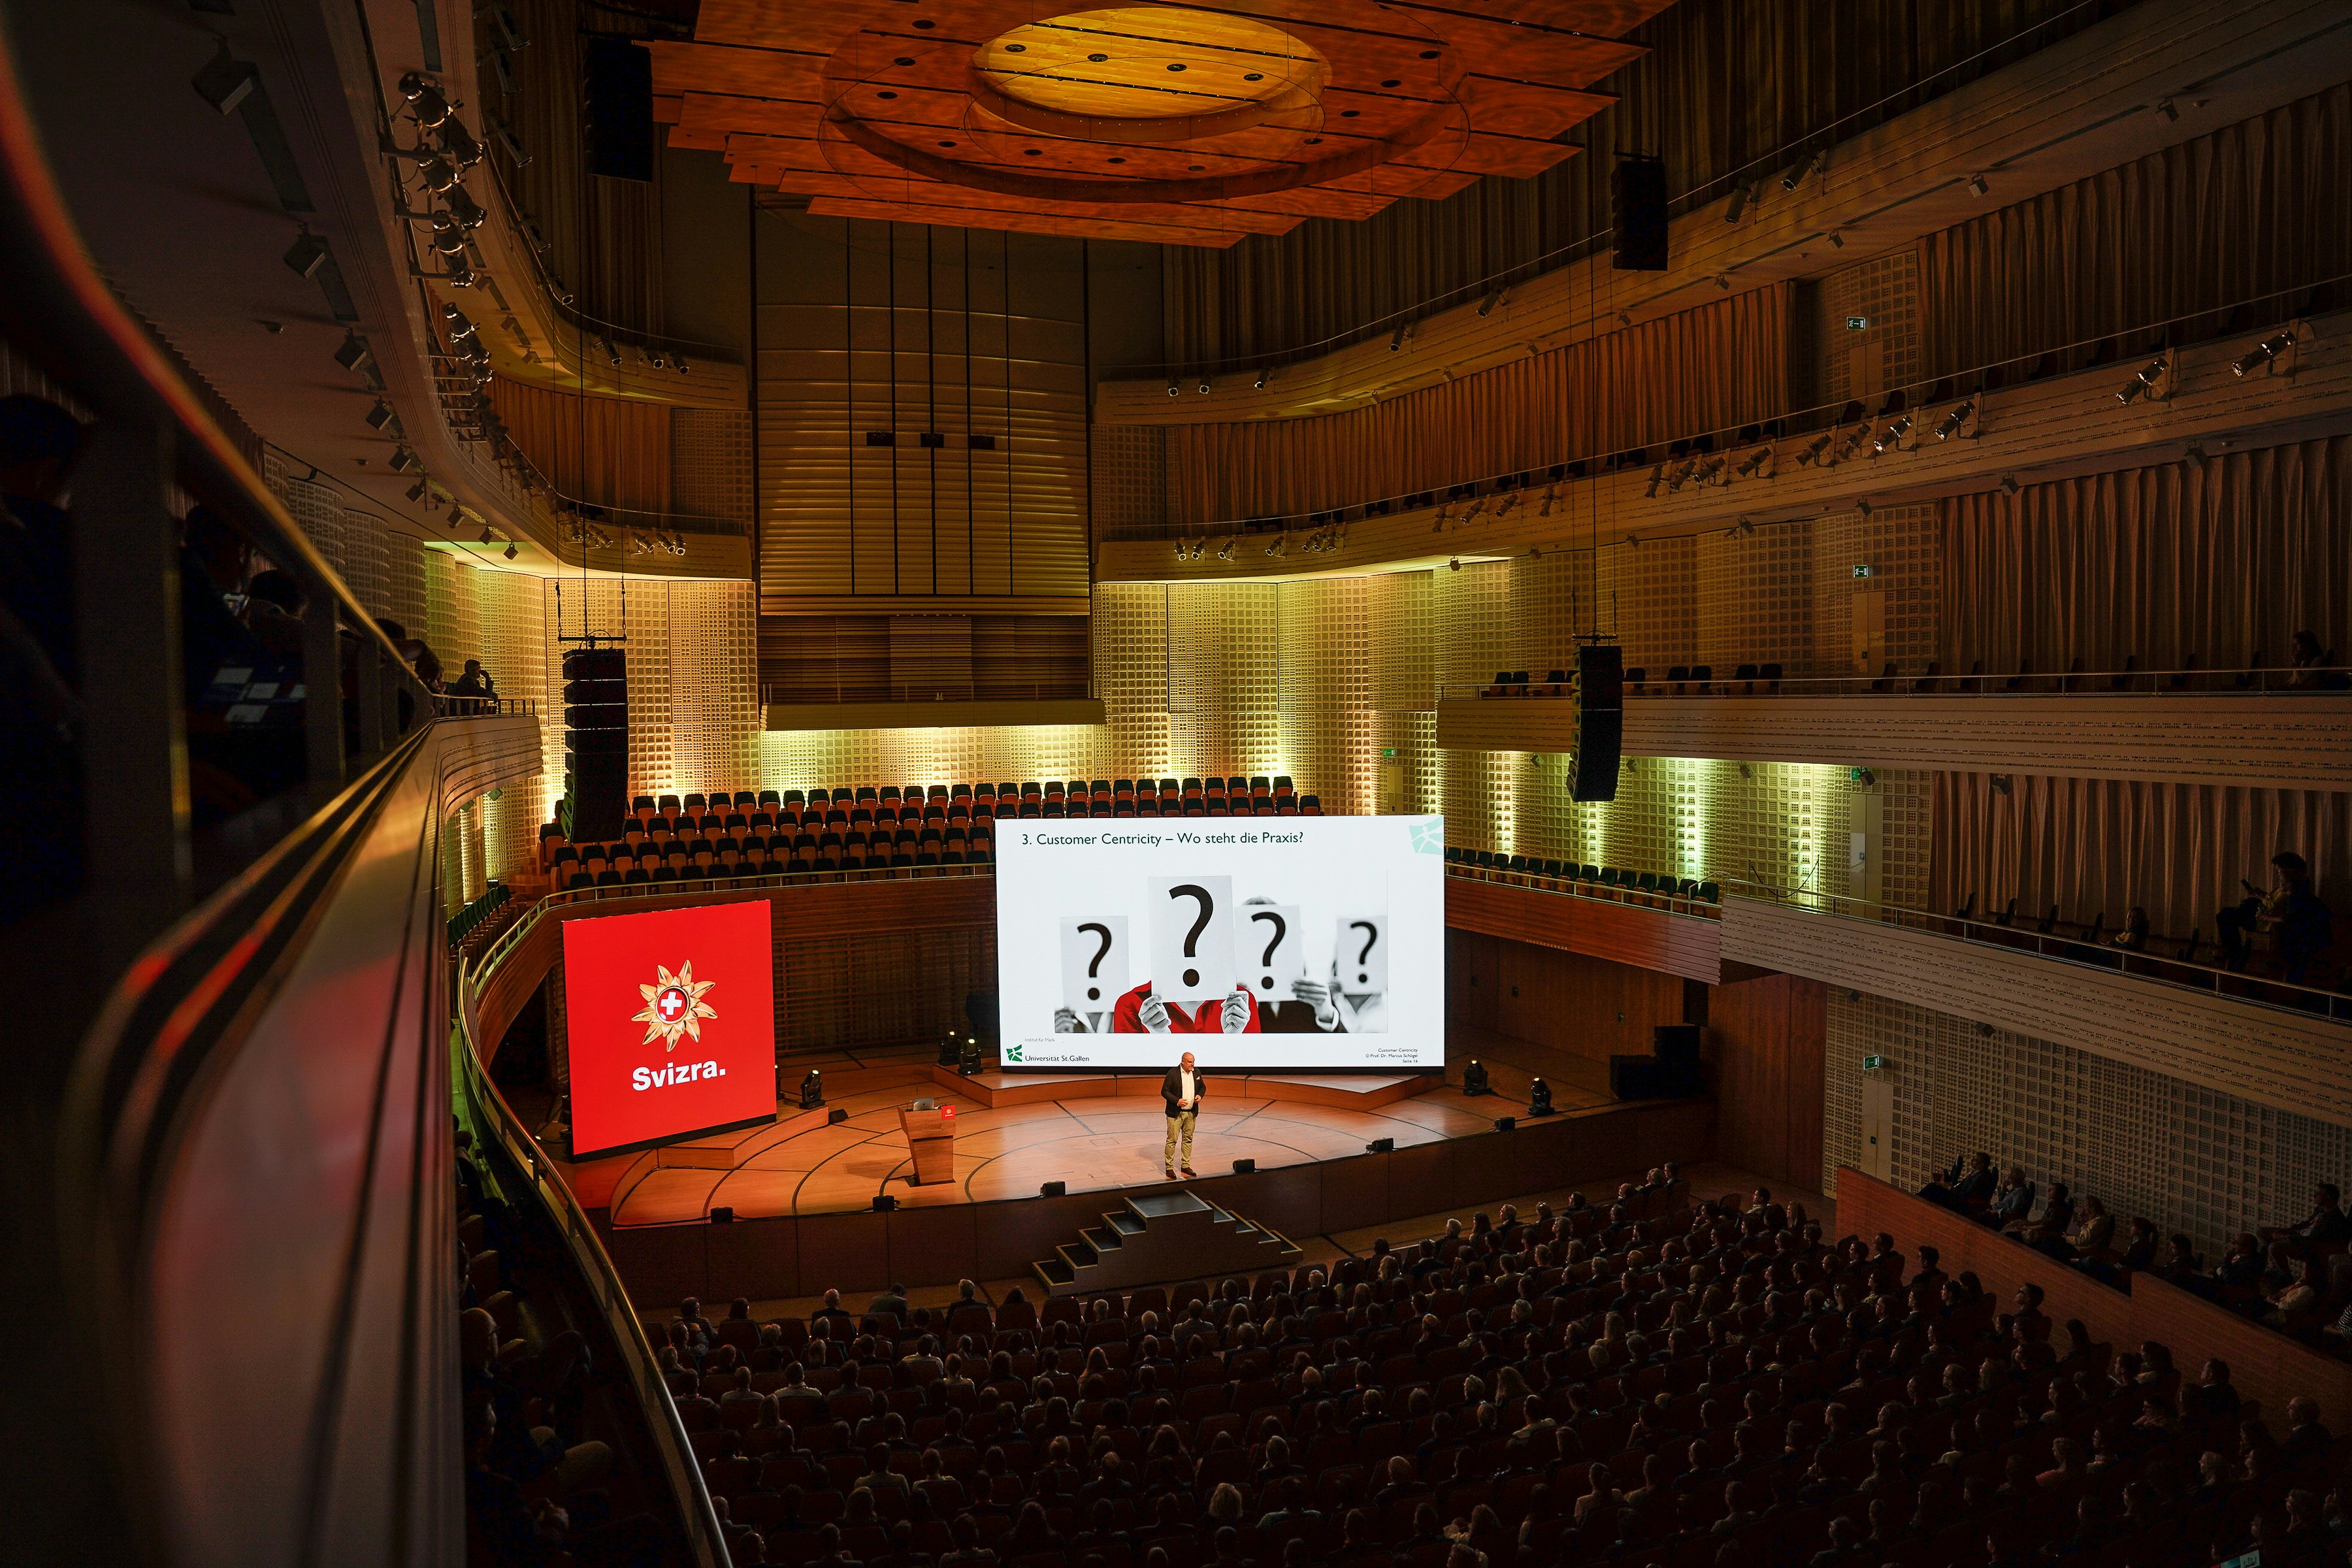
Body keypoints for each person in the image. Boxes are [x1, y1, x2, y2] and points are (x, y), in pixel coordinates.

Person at [1162, 1051, 1203, 1179]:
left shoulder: (1196, 1073)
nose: (1192, 1064)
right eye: (1190, 1062)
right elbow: (1164, 1091)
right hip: (1175, 1114)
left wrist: (1200, 1096)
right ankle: (1169, 1168)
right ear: (1183, 1062)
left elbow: (1203, 1087)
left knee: (1188, 1139)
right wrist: (1177, 1101)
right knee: (1172, 1140)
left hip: (1191, 1114)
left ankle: (1185, 1165)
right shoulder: (1173, 1074)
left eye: (1193, 1061)